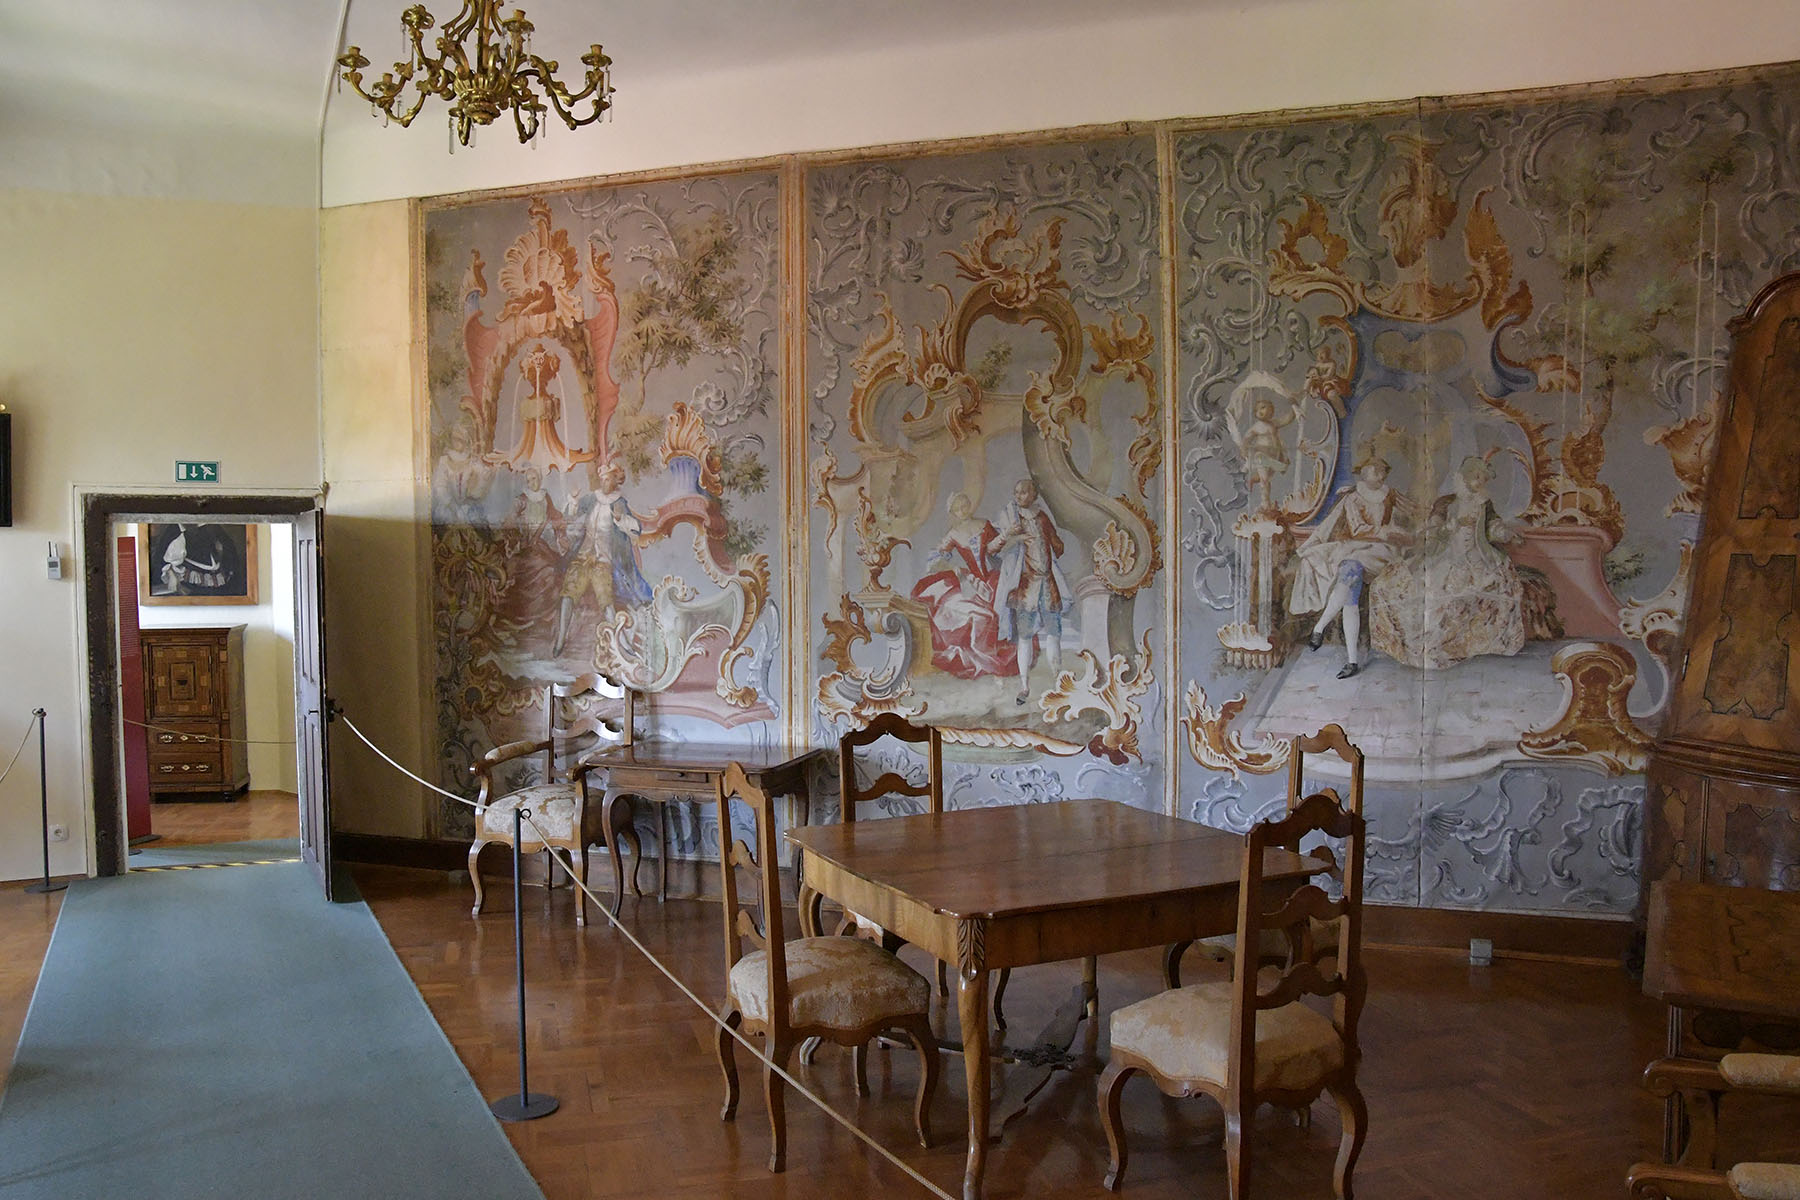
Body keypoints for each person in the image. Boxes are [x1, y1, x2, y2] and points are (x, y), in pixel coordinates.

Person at [1369, 455, 1526, 669]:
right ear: (1464, 477)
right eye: (1475, 477)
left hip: (1477, 558)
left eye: (1482, 479)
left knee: (1473, 590)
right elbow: (1432, 533)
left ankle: (1447, 646)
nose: (1479, 483)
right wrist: (1448, 528)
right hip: (1445, 556)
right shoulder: (1447, 503)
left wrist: (1505, 533)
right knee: (1420, 588)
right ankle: (1421, 645)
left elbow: (1491, 528)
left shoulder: (1484, 504)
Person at [1287, 455, 1413, 679]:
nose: (1381, 475)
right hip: (1358, 548)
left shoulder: (1390, 495)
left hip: (1381, 552)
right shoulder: (1353, 498)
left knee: (1349, 573)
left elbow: (1411, 512)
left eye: (1383, 471)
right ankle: (1352, 660)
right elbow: (1357, 529)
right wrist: (1382, 532)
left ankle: (1319, 628)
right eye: (1375, 470)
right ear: (1365, 472)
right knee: (1349, 583)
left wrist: (1398, 532)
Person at [909, 492, 1016, 679]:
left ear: (970, 504)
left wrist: (1006, 537)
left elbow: (995, 550)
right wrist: (953, 568)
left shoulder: (984, 524)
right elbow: (935, 559)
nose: (962, 511)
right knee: (981, 616)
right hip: (973, 582)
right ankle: (982, 659)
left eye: (964, 505)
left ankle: (999, 649)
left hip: (993, 578)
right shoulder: (953, 534)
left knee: (1002, 608)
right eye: (957, 509)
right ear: (953, 513)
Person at [553, 462, 652, 655]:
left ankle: (622, 644)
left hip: (604, 560)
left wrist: (620, 519)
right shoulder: (592, 498)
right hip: (582, 556)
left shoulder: (619, 503)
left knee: (606, 601)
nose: (604, 483)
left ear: (615, 481)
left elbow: (636, 529)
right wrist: (573, 500)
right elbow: (571, 514)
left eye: (607, 479)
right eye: (602, 479)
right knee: (568, 595)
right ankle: (560, 640)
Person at [991, 478, 1071, 704]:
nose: (1019, 496)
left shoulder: (1042, 517)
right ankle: (1024, 686)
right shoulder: (1010, 518)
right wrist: (1012, 536)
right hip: (1025, 587)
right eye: (1016, 492)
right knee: (1024, 636)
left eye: (1024, 492)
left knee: (1054, 633)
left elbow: (1057, 545)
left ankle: (1058, 681)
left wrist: (1054, 544)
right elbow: (992, 549)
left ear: (1034, 494)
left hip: (1047, 584)